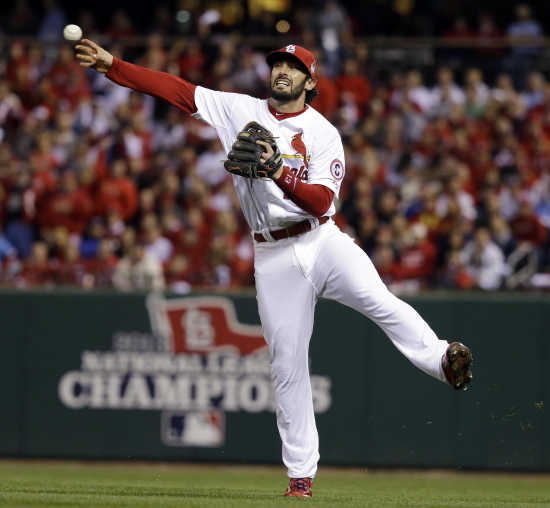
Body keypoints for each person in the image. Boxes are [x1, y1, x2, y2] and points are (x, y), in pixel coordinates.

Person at [75, 39, 473, 498]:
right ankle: (300, 477)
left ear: (310, 81)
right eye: (278, 64)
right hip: (272, 255)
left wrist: (277, 170)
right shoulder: (239, 109)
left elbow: (322, 201)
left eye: (293, 66)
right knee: (287, 364)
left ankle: (441, 359)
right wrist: (114, 66)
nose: (282, 71)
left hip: (321, 238)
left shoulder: (323, 133)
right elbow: (178, 92)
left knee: (378, 299)